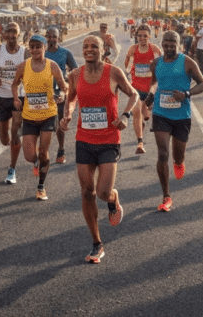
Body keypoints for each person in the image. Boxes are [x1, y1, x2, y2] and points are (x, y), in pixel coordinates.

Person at [60, 35, 138, 263]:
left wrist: (126, 115)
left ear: (103, 50)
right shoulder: (75, 75)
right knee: (87, 192)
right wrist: (67, 115)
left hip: (108, 139)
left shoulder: (113, 72)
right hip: (84, 138)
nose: (89, 49)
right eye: (86, 46)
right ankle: (96, 243)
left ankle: (113, 199)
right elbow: (71, 99)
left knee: (103, 193)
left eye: (94, 46)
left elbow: (133, 94)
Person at [145, 31, 203, 212]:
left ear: (178, 44)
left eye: (173, 43)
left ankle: (178, 162)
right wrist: (150, 95)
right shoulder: (156, 63)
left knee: (177, 156)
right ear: (162, 44)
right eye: (166, 43)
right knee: (162, 154)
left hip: (181, 116)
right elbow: (154, 83)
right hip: (161, 114)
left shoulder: (187, 62)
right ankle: (166, 196)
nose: (169, 46)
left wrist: (186, 94)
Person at [12, 34, 68, 201]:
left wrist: (61, 95)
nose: (35, 50)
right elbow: (15, 83)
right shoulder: (23, 66)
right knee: (29, 156)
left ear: (44, 48)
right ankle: (36, 162)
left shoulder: (52, 66)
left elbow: (63, 86)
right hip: (29, 115)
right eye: (32, 47)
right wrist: (15, 98)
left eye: (38, 47)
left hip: (48, 115)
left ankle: (41, 187)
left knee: (44, 151)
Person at [0, 22, 30, 184]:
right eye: (9, 32)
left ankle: (12, 168)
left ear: (19, 34)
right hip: (1, 96)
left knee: (15, 132)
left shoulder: (25, 53)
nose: (12, 35)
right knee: (4, 139)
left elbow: (32, 72)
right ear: (4, 34)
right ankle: (11, 143)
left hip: (18, 97)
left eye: (15, 32)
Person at [45, 27, 78, 164]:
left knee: (59, 122)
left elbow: (75, 70)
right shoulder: (41, 53)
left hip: (60, 91)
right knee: (44, 123)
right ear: (46, 37)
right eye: (49, 36)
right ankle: (42, 152)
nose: (52, 39)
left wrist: (67, 81)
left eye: (54, 36)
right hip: (43, 92)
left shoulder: (65, 53)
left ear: (58, 38)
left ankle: (61, 149)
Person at [124, 24, 156, 155]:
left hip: (150, 90)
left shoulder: (154, 50)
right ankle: (140, 143)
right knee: (137, 114)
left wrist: (153, 91)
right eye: (140, 36)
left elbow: (160, 70)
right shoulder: (133, 49)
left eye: (145, 36)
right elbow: (127, 68)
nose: (142, 38)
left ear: (149, 36)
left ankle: (146, 113)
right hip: (136, 88)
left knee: (146, 115)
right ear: (136, 36)